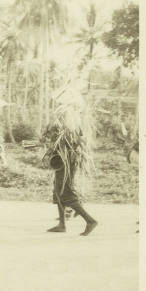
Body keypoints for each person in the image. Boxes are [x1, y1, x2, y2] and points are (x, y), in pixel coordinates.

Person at [42, 88, 99, 236]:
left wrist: (47, 139)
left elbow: (62, 138)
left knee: (64, 191)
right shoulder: (73, 116)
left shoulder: (66, 114)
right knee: (58, 190)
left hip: (65, 159)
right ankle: (62, 224)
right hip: (66, 158)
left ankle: (90, 220)